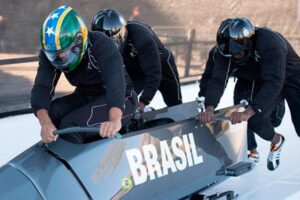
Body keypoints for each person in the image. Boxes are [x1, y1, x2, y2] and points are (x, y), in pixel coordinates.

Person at [199, 17, 300, 171]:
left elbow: (274, 81)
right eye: (231, 55)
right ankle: (276, 140)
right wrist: (210, 106)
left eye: (238, 54)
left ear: (248, 44)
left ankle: (277, 108)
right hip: (259, 78)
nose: (235, 58)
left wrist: (251, 109)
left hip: (291, 77)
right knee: (252, 119)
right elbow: (218, 79)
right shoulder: (223, 52)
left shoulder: (269, 42)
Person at [31, 5, 137, 144]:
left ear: (79, 41)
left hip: (121, 96)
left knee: (71, 125)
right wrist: (45, 124)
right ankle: (55, 157)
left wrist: (114, 120)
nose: (61, 59)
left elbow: (115, 83)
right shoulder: (49, 53)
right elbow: (42, 88)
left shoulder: (100, 43)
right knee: (53, 113)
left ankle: (78, 163)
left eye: (66, 52)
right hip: (85, 94)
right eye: (55, 56)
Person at [198, 45, 286, 163]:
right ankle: (251, 150)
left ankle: (274, 134)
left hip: (264, 82)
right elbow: (212, 78)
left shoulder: (259, 49)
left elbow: (275, 79)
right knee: (240, 114)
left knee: (274, 120)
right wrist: (207, 103)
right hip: (244, 81)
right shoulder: (216, 53)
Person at [91, 9, 182, 111]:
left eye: (115, 40)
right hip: (135, 68)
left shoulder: (142, 38)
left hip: (161, 64)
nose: (113, 46)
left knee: (174, 103)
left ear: (123, 30)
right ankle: (134, 116)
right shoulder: (98, 45)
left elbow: (154, 73)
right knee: (127, 97)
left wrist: (143, 101)